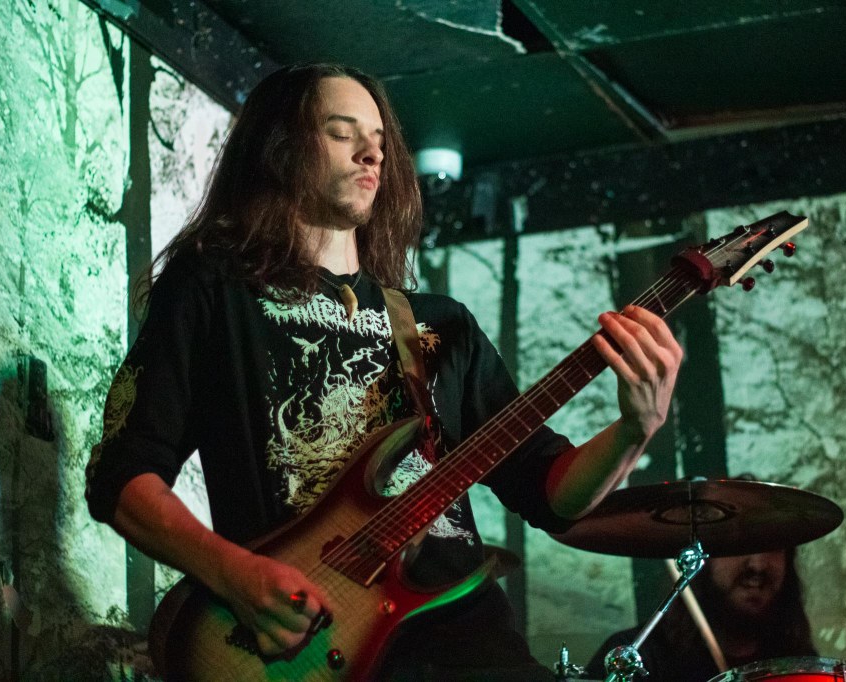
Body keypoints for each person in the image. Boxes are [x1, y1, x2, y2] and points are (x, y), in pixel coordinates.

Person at [83, 63, 683, 680]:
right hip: (315, 652)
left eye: (378, 140)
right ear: (280, 149)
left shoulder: (441, 326)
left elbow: (551, 493)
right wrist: (235, 576)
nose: (371, 152)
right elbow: (124, 475)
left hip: (473, 650)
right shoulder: (215, 290)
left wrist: (635, 428)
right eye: (342, 133)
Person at [585, 546, 816, 681]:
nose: (757, 565)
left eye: (773, 546)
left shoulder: (799, 663)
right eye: (738, 547)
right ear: (702, 558)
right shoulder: (632, 658)